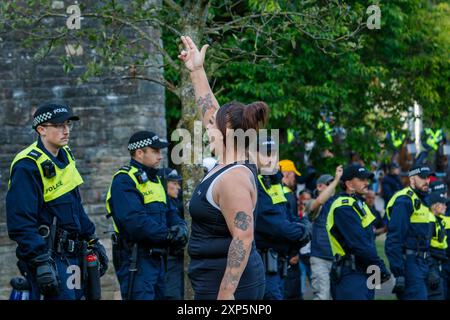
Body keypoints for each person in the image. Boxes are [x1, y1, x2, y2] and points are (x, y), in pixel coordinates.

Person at [178, 35, 266, 300]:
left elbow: (243, 237)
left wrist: (226, 294)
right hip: (211, 278)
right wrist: (196, 70)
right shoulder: (232, 159)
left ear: (226, 133)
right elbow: (209, 109)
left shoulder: (233, 179)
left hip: (230, 287)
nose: (207, 128)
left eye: (211, 127)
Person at [6, 102, 108, 300]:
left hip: (74, 254)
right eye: (59, 125)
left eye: (68, 124)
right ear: (41, 129)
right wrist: (40, 260)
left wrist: (92, 239)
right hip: (48, 257)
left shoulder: (66, 155)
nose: (66, 130)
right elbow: (20, 222)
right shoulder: (27, 165)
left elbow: (75, 206)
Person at [106, 131, 188, 300]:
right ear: (139, 153)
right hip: (135, 259)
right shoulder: (124, 180)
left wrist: (180, 227)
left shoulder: (156, 180)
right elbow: (135, 223)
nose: (160, 156)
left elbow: (170, 212)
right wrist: (168, 235)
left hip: (158, 258)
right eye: (155, 151)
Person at [254, 138, 311, 300]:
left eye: (274, 154)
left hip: (279, 263)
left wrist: (302, 228)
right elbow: (278, 227)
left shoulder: (274, 183)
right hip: (263, 266)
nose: (271, 159)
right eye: (266, 154)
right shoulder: (254, 182)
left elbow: (289, 217)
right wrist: (304, 231)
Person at [326, 164, 390, 300]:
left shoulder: (359, 204)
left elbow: (369, 241)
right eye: (361, 179)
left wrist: (376, 270)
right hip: (351, 272)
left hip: (366, 270)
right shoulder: (343, 207)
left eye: (367, 179)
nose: (366, 183)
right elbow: (359, 244)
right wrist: (380, 267)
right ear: (349, 184)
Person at [385, 163, 435, 300]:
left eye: (428, 178)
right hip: (409, 263)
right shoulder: (404, 200)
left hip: (422, 262)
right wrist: (399, 273)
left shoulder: (422, 199)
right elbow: (394, 239)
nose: (427, 181)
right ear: (412, 179)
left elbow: (424, 238)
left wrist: (430, 266)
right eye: (423, 177)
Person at [307, 166, 343, 300]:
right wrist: (337, 179)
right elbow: (319, 201)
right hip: (320, 258)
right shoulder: (312, 202)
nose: (333, 186)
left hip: (337, 259)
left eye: (334, 184)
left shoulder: (338, 202)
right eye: (329, 184)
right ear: (320, 186)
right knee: (322, 296)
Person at [159, 168, 186, 300]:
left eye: (178, 184)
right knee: (172, 293)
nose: (178, 187)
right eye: (174, 183)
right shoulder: (162, 203)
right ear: (164, 183)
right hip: (169, 256)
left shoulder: (175, 202)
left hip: (176, 256)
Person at [426, 193, 450, 300]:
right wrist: (431, 269)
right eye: (443, 204)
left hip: (439, 261)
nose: (446, 206)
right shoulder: (431, 220)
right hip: (432, 264)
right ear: (435, 206)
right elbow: (425, 247)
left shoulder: (438, 219)